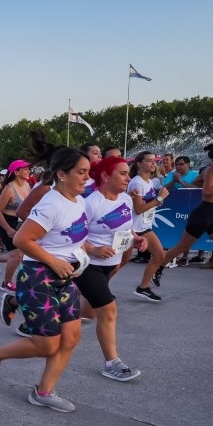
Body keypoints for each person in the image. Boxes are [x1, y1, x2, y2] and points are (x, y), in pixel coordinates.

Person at [0, 136, 91, 413]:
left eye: (88, 172)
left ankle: (44, 392)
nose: (87, 178)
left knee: (71, 337)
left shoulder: (78, 202)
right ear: (62, 175)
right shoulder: (51, 204)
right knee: (46, 345)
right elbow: (22, 241)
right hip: (39, 277)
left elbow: (74, 237)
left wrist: (94, 250)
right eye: (81, 172)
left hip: (65, 278)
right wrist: (54, 261)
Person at [73, 156, 147, 381]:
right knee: (108, 310)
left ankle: (16, 301)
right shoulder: (90, 203)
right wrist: (94, 249)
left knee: (86, 312)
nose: (128, 178)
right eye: (123, 174)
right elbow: (74, 236)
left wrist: (135, 239)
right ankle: (112, 363)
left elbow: (126, 228)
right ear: (105, 176)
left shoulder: (125, 199)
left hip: (110, 265)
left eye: (128, 173)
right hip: (87, 264)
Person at [154, 143, 213, 294]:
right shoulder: (212, 170)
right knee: (182, 247)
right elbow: (207, 191)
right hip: (204, 213)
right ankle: (157, 268)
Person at [127, 151, 169, 302]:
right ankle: (96, 288)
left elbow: (147, 204)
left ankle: (143, 287)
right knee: (116, 263)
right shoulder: (137, 182)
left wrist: (157, 201)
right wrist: (158, 198)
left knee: (159, 255)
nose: (153, 164)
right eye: (149, 161)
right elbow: (138, 209)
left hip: (144, 226)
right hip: (135, 228)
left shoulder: (150, 182)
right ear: (139, 164)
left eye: (155, 161)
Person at [0, 160, 32, 285]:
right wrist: (8, 229)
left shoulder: (27, 185)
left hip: (19, 222)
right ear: (16, 172)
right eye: (25, 169)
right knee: (17, 255)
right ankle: (6, 283)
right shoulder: (9, 189)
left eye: (28, 168)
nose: (28, 171)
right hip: (5, 222)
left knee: (20, 255)